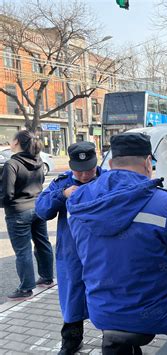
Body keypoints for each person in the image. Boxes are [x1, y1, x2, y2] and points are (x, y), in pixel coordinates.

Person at [66, 133, 167, 354]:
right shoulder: (163, 202)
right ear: (148, 162)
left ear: (110, 164)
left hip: (103, 311)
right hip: (161, 309)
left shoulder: (81, 202)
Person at [36, 142, 104, 355]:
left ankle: (116, 339)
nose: (85, 175)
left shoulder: (108, 179)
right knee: (72, 296)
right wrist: (62, 195)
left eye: (90, 169)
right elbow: (41, 210)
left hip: (105, 252)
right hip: (72, 252)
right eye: (79, 170)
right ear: (71, 165)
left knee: (109, 294)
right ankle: (71, 340)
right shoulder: (62, 183)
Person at [2, 130, 53, 300]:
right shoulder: (38, 160)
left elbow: (6, 195)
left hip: (18, 213)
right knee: (42, 243)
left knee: (22, 251)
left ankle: (26, 288)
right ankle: (47, 277)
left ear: (16, 142)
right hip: (37, 208)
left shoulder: (12, 164)